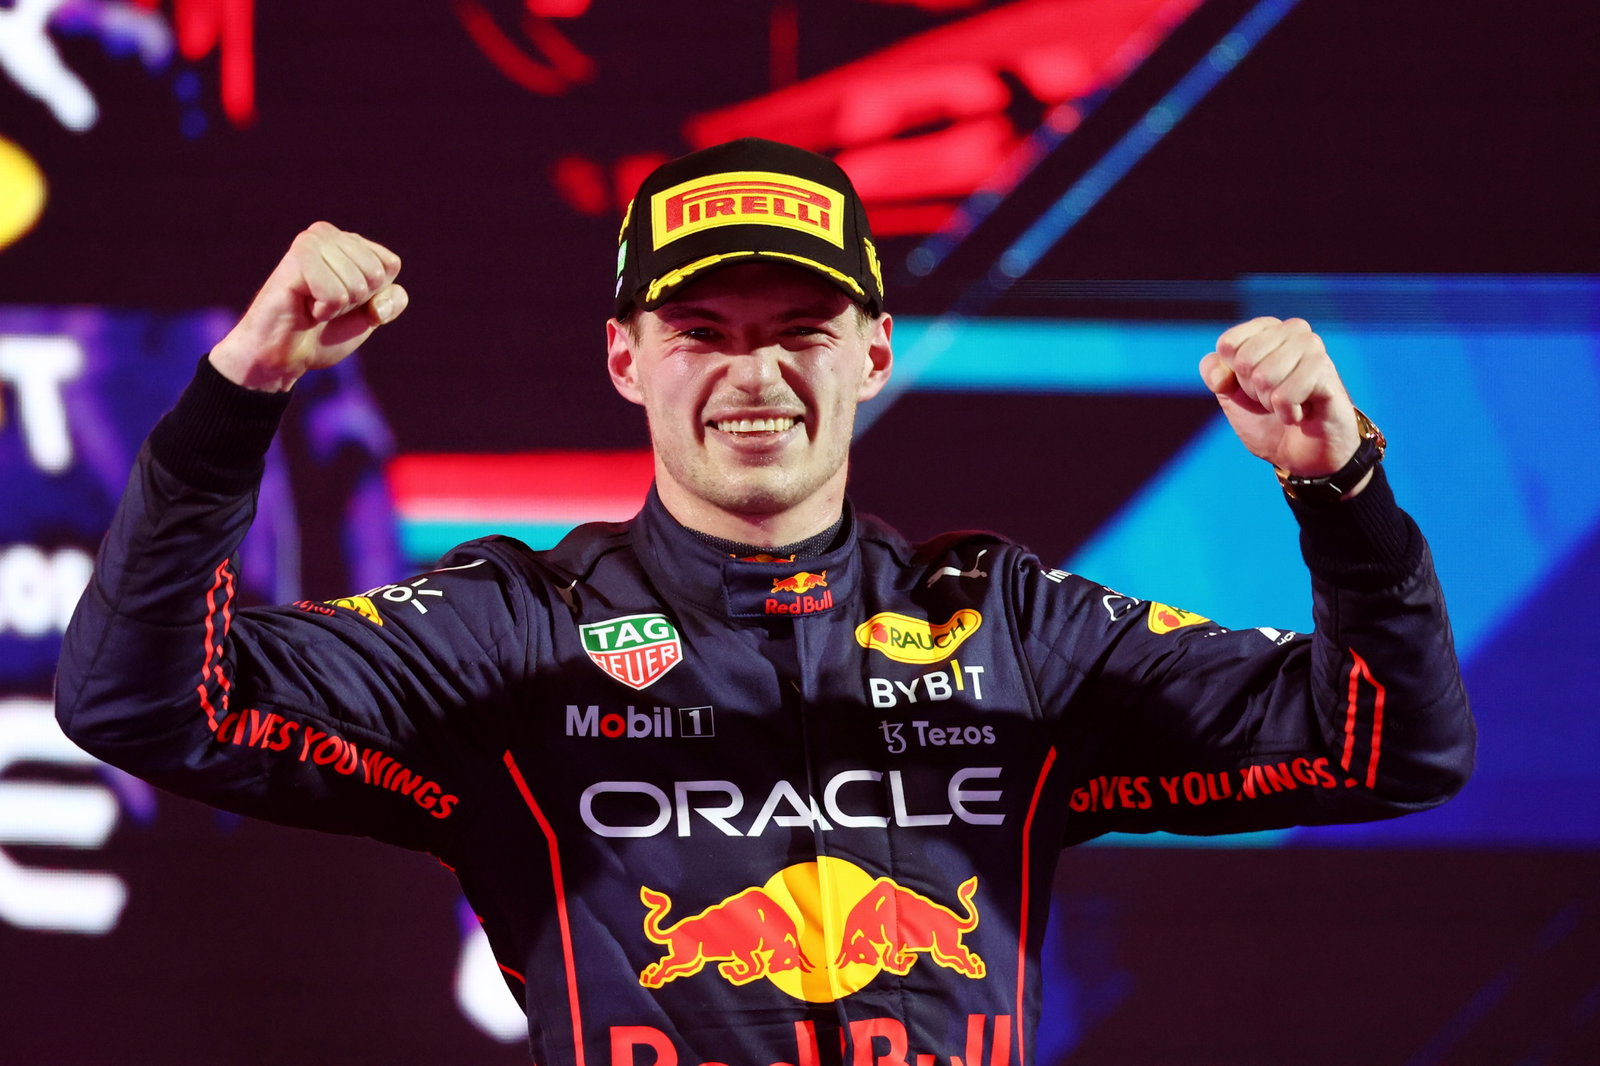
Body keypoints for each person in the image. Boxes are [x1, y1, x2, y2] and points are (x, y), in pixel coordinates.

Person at [56, 138, 1473, 1065]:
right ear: (626, 359)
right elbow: (146, 696)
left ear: (871, 351)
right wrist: (242, 391)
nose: (754, 374)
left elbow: (1387, 746)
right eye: (701, 333)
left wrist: (1340, 490)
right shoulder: (514, 628)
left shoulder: (1016, 627)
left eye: (798, 330)